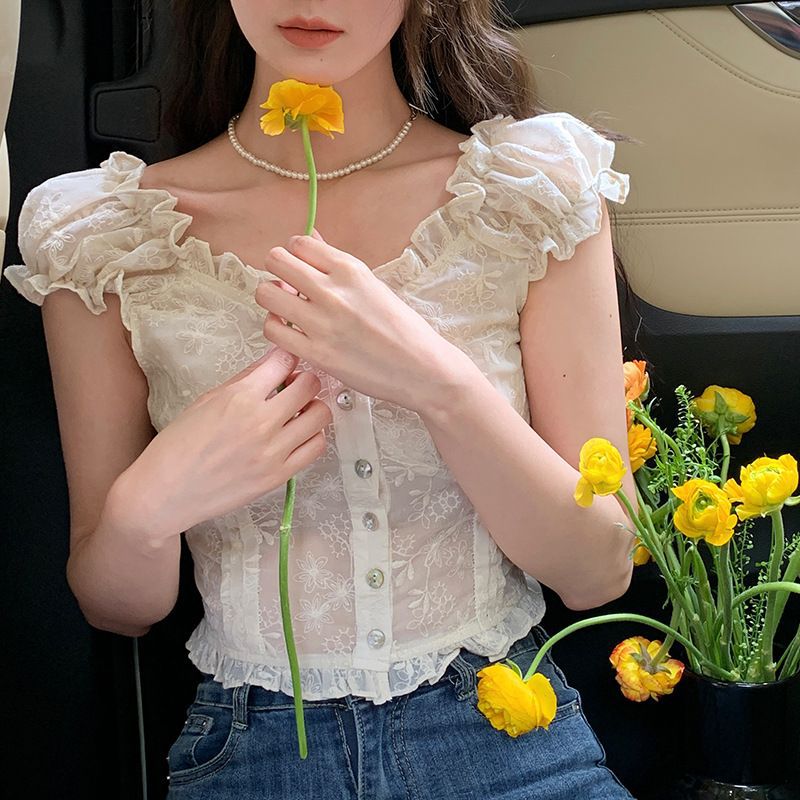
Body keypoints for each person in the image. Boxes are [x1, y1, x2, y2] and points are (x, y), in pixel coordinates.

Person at [4, 0, 641, 797]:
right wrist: (148, 504)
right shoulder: (104, 235)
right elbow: (116, 606)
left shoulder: (531, 190)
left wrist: (437, 385)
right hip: (250, 752)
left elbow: (599, 570)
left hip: (504, 731)